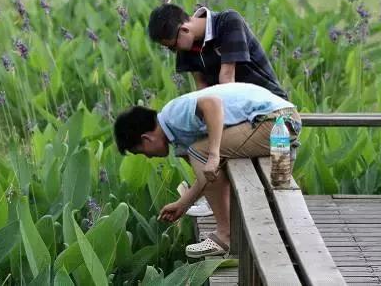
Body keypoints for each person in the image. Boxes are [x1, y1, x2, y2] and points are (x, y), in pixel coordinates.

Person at [113, 82, 301, 257]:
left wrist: (213, 155)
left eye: (141, 152)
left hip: (276, 122)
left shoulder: (173, 114)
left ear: (146, 138)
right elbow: (209, 176)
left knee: (201, 152)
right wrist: (184, 203)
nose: (148, 157)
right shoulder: (177, 135)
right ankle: (233, 233)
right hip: (276, 123)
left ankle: (225, 236)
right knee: (203, 156)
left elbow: (212, 104)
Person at [147, 4, 288, 99]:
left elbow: (227, 78)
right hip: (240, 112)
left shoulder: (228, 22)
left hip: (270, 105)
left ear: (184, 30)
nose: (174, 51)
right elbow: (202, 87)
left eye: (172, 47)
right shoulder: (187, 46)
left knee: (212, 144)